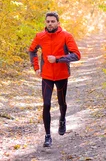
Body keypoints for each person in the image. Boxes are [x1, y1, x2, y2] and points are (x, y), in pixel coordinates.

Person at [28, 11, 81, 147]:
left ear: (58, 23)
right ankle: (47, 136)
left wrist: (58, 59)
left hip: (62, 75)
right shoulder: (40, 36)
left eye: (53, 21)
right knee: (46, 104)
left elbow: (76, 55)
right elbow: (32, 50)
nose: (50, 24)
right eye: (48, 21)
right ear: (45, 22)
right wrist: (36, 68)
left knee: (62, 103)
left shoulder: (66, 36)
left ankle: (62, 119)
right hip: (46, 76)